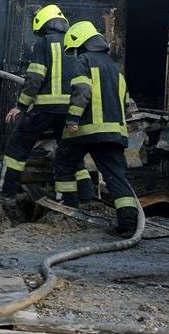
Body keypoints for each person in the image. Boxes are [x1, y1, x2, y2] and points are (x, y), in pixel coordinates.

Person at [0, 5, 95, 201]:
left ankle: (7, 192)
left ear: (43, 24)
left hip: (45, 110)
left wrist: (21, 106)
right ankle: (86, 198)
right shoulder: (76, 45)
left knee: (18, 146)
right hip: (71, 112)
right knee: (71, 155)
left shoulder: (45, 43)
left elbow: (35, 77)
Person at [53, 20, 140, 235]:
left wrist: (72, 120)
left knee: (64, 161)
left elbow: (82, 91)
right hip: (115, 132)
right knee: (115, 176)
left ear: (80, 42)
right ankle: (129, 225)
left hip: (87, 130)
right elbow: (128, 103)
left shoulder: (82, 61)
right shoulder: (114, 67)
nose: (73, 53)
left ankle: (67, 209)